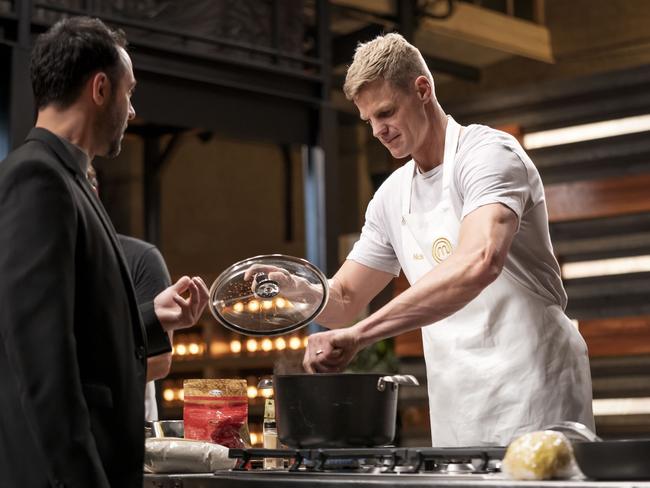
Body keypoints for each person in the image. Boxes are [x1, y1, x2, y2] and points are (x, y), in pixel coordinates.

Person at [301, 33, 594, 446]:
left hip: (534, 389)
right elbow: (344, 299)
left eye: (386, 113)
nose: (379, 132)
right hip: (457, 401)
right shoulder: (391, 197)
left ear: (422, 90)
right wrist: (292, 288)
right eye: (369, 121)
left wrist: (360, 335)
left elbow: (479, 262)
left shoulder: (489, 154)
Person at [0, 17, 209, 488]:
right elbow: (43, 361)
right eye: (128, 92)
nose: (132, 111)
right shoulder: (38, 179)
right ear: (100, 89)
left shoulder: (67, 180)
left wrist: (153, 317)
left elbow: (79, 326)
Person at [88, 165, 173, 421]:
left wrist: (84, 381)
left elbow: (159, 360)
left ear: (93, 192)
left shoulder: (140, 258)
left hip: (122, 421)